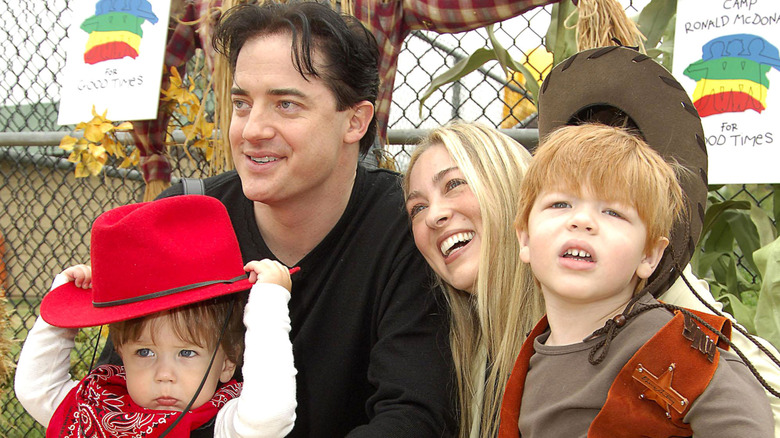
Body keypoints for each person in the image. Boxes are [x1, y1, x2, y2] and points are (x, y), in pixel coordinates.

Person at [100, 2, 457, 436]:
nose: (251, 130)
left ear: (356, 121)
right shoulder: (184, 218)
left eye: (286, 104)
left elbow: (412, 417)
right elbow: (115, 400)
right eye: (242, 103)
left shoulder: (404, 225)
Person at [403, 46, 780, 437]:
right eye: (416, 208)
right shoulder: (499, 348)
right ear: (526, 232)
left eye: (454, 184)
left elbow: (753, 393)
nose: (436, 215)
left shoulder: (665, 323)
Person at [500, 122, 772, 436]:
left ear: (649, 256)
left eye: (613, 212)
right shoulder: (531, 357)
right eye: (560, 204)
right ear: (525, 239)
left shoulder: (674, 351)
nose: (582, 220)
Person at [15, 195, 297, 437]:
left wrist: (269, 304)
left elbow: (268, 416)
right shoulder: (95, 410)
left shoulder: (222, 424)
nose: (164, 376)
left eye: (187, 353)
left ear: (227, 362)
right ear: (121, 353)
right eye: (145, 352)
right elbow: (36, 389)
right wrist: (67, 297)